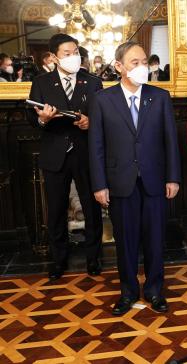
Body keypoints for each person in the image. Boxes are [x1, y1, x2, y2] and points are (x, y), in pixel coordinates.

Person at [89, 41, 181, 315]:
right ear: (119, 67)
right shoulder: (102, 100)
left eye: (144, 62)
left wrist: (173, 177)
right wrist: (99, 184)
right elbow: (96, 146)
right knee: (125, 241)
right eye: (134, 63)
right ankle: (128, 292)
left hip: (154, 181)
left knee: (155, 239)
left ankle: (154, 290)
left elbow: (170, 142)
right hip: (120, 182)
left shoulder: (160, 97)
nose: (142, 67)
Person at [28, 33, 103, 281]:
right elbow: (33, 120)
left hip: (85, 154)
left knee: (91, 209)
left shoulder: (92, 81)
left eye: (76, 52)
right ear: (53, 57)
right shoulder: (41, 82)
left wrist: (90, 122)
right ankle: (58, 260)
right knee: (57, 210)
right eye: (67, 54)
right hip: (55, 155)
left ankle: (94, 258)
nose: (73, 57)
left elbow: (103, 118)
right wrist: (43, 118)